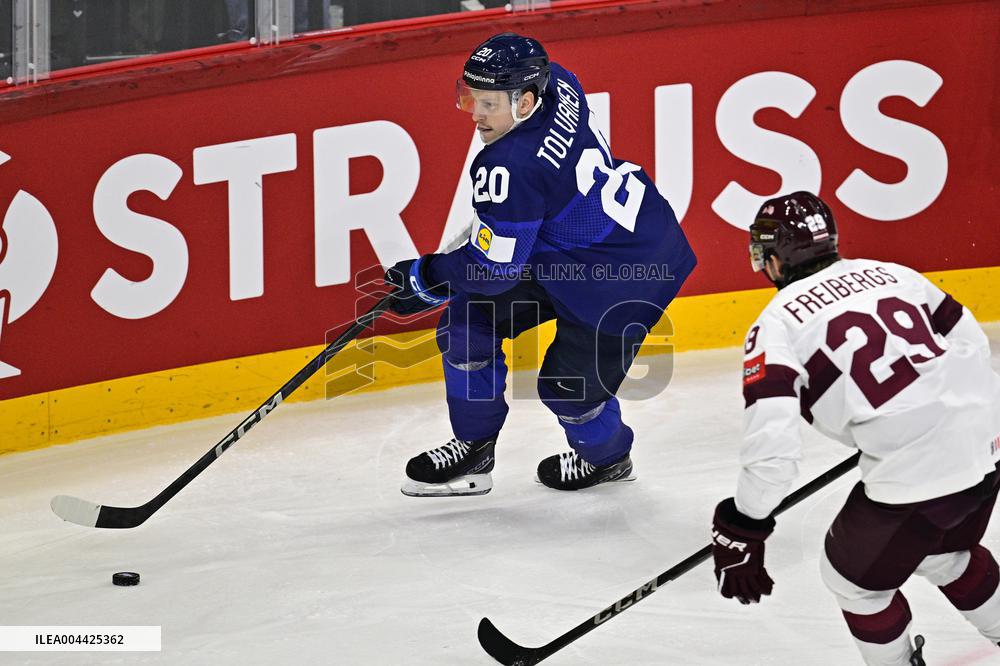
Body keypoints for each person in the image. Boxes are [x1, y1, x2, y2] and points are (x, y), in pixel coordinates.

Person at [383, 33, 696, 497]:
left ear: (526, 101)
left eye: (488, 104)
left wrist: (427, 276)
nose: (475, 114)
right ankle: (474, 449)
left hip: (625, 276)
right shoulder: (560, 81)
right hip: (578, 251)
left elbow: (493, 271)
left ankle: (608, 460)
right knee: (469, 322)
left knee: (569, 390)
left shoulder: (510, 164)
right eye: (471, 98)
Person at [710, 191, 1000, 665]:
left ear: (775, 258)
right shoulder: (893, 274)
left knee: (854, 583)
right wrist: (922, 415)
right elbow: (970, 341)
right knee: (940, 553)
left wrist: (745, 522)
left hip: (919, 470)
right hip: (989, 441)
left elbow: (773, 451)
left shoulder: (777, 322)